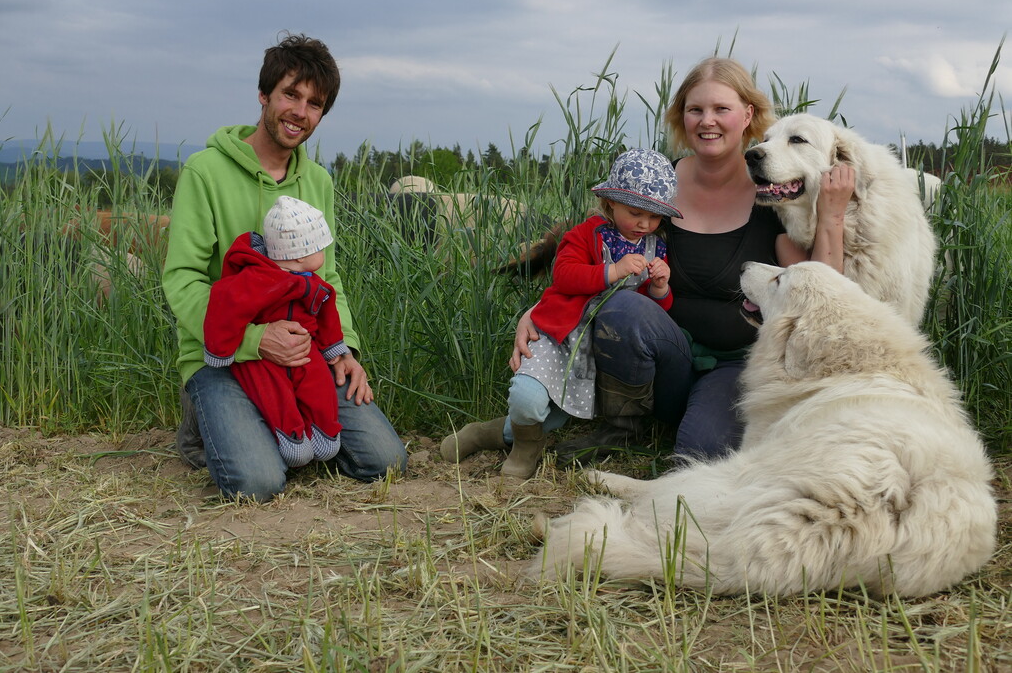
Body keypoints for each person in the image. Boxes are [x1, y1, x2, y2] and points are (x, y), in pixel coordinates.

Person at [450, 56, 854, 465]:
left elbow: (818, 286)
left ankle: (687, 426)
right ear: (682, 116)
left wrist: (832, 214)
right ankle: (621, 429)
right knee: (625, 306)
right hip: (661, 362)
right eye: (695, 109)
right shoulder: (657, 184)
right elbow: (596, 247)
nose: (706, 121)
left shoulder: (771, 189)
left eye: (721, 109)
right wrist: (541, 309)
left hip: (735, 367)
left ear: (747, 114)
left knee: (701, 456)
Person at [163, 32, 408, 501]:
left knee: (385, 460)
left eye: (314, 104)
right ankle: (204, 424)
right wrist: (256, 340)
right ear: (264, 96)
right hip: (226, 354)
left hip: (303, 352)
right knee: (258, 482)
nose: (300, 111)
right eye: (290, 94)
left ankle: (281, 432)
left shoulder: (317, 182)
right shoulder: (204, 172)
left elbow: (327, 276)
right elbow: (183, 280)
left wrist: (343, 351)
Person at [441, 149, 681, 478]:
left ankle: (487, 433)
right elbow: (564, 276)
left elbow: (648, 317)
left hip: (596, 351)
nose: (645, 223)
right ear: (611, 203)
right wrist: (613, 271)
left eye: (654, 217)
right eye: (636, 212)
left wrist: (659, 288)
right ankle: (523, 454)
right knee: (528, 397)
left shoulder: (656, 247)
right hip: (558, 334)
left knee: (552, 416)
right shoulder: (586, 233)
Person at [203, 196, 351, 469]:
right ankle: (292, 437)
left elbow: (327, 308)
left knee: (319, 384)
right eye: (320, 248)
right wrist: (220, 351)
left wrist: (335, 347)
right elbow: (224, 305)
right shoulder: (256, 280)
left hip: (306, 349)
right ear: (300, 254)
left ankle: (324, 431)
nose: (325, 253)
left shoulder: (312, 283)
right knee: (273, 393)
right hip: (262, 358)